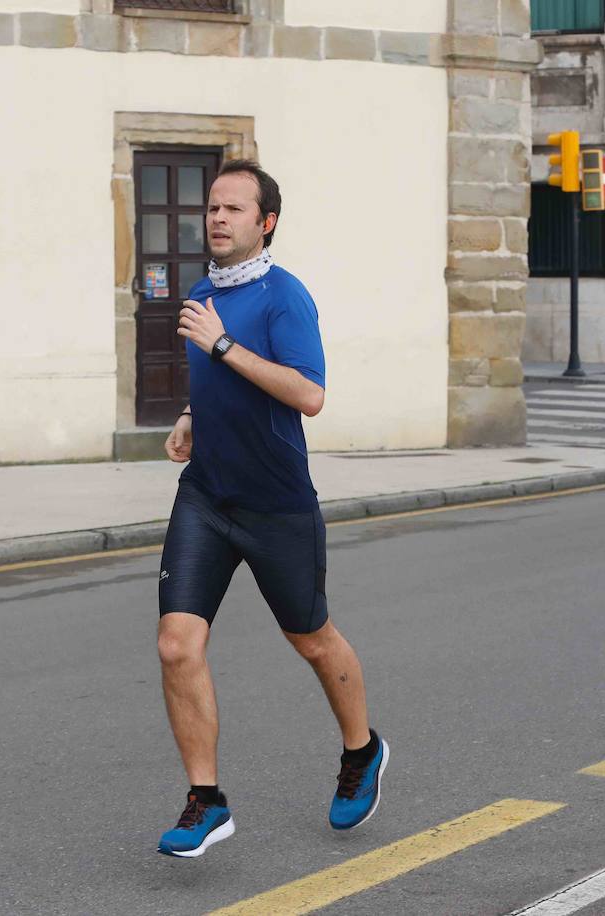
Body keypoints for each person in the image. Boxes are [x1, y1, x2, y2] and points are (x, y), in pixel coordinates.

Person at [154, 160, 386, 858]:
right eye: (213, 207)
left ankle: (361, 752)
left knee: (311, 638)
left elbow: (308, 393)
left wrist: (221, 345)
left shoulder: (286, 298)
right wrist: (192, 413)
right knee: (176, 644)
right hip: (206, 496)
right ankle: (206, 800)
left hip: (276, 504)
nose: (217, 218)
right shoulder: (200, 290)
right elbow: (220, 380)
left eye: (234, 209)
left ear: (266, 222)